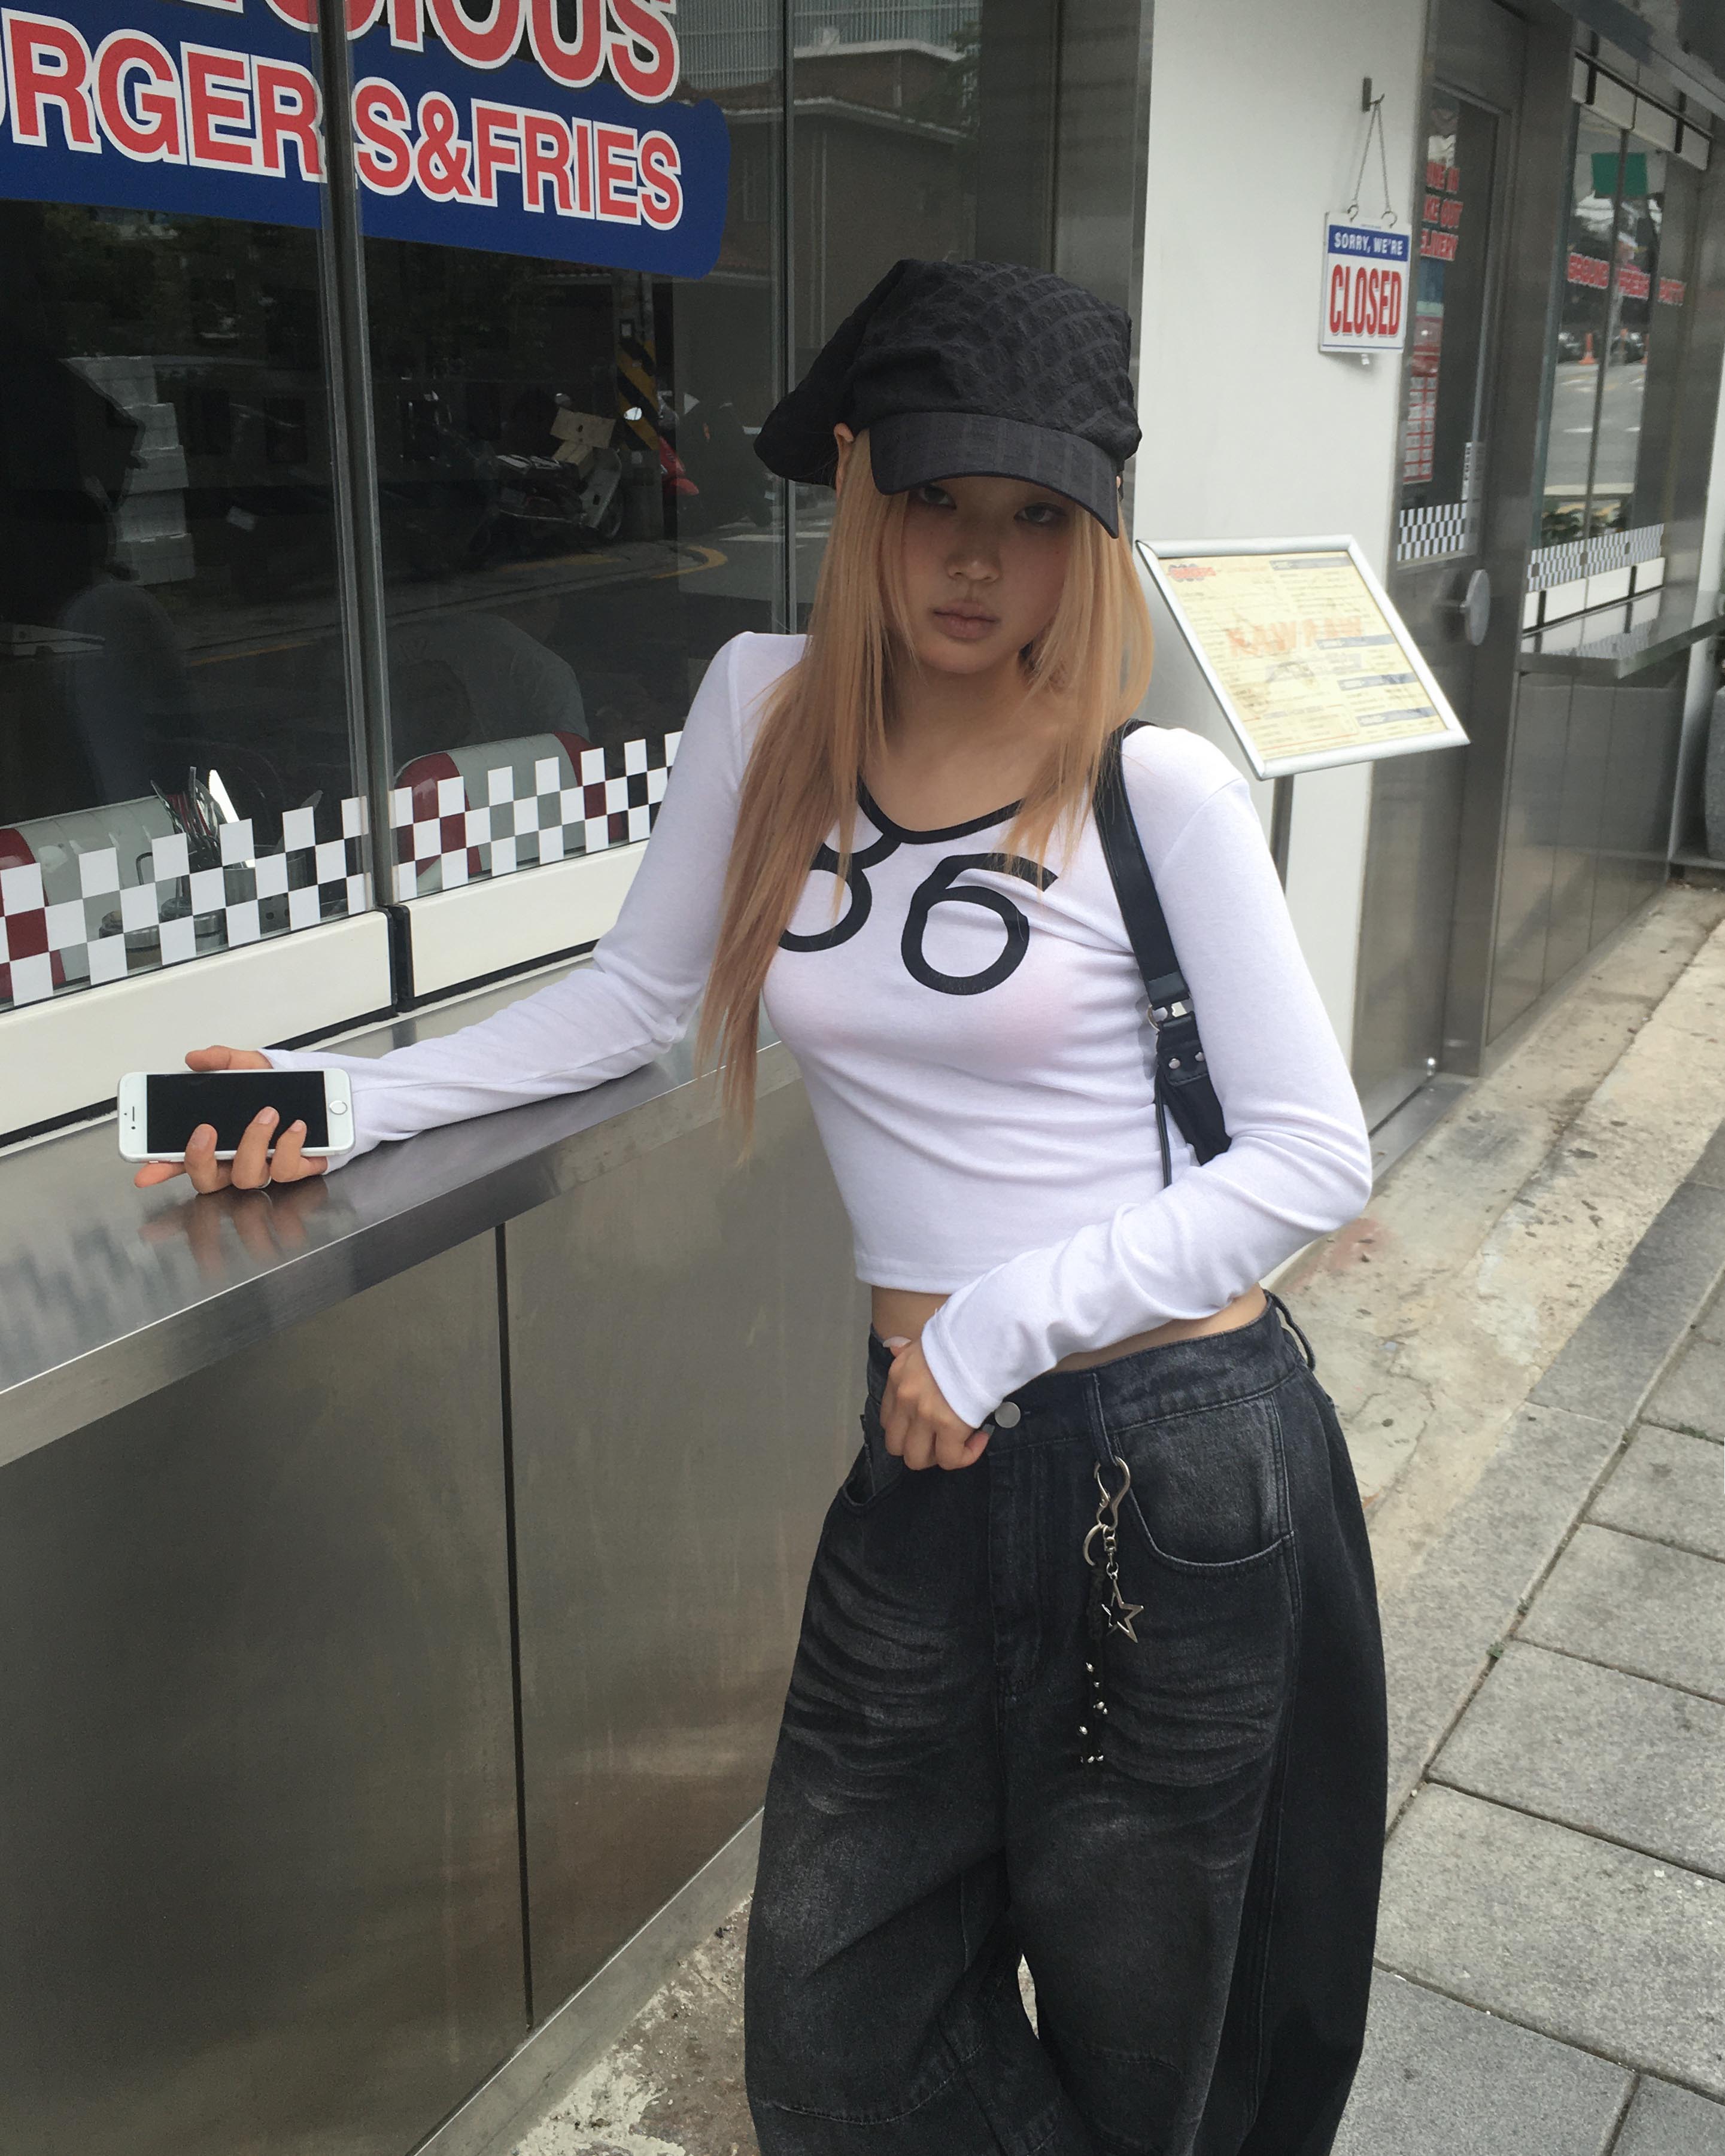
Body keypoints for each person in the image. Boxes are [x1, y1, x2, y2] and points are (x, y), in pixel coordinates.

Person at [133, 259, 1386, 2155]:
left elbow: (1306, 1154)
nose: (976, 561)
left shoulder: (1157, 789)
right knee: (834, 2019)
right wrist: (339, 1098)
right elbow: (630, 1003)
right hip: (924, 1452)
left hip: (1168, 1461)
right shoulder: (763, 708)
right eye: (935, 499)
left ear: (1088, 543)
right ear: (856, 481)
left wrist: (998, 1323)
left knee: (1151, 2044)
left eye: (1033, 519)